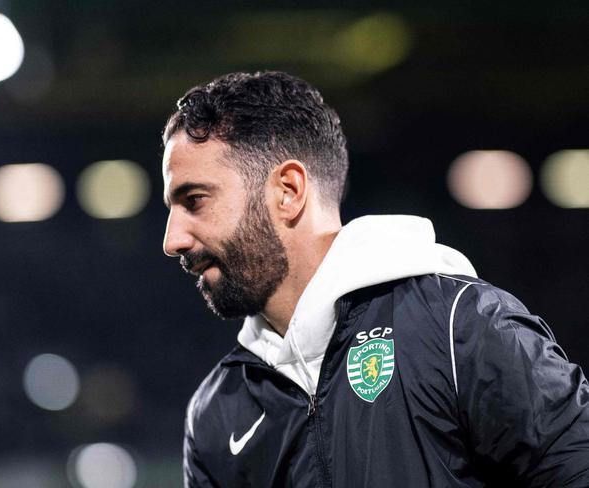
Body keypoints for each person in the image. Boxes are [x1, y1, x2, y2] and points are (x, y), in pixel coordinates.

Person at [161, 71, 589, 487]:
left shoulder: (461, 329)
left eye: (194, 200)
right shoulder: (215, 411)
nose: (172, 240)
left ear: (288, 191)